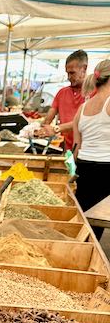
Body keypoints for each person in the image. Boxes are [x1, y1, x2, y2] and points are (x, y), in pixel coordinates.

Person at [72, 59, 110, 241]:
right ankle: (86, 255)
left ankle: (78, 248)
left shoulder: (83, 107)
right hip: (106, 169)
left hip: (84, 167)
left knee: (84, 214)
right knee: (97, 220)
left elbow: (77, 146)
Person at [41, 50, 88, 150]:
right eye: (67, 73)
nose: (69, 77)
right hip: (65, 150)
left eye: (72, 73)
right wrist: (42, 128)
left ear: (84, 69)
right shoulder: (62, 93)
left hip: (86, 151)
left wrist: (57, 128)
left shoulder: (93, 93)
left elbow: (84, 121)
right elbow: (48, 118)